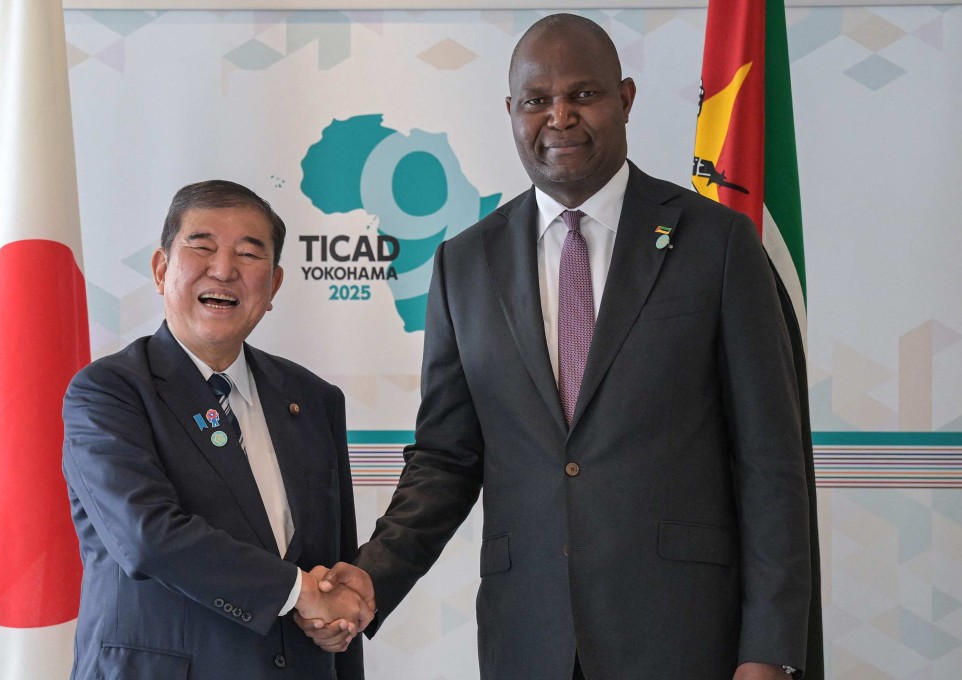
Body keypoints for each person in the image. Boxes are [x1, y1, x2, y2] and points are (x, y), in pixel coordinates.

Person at [301, 12, 822, 680]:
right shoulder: (465, 264)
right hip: (530, 639)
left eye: (583, 95)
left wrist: (770, 650)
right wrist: (373, 575)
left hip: (688, 636)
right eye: (536, 101)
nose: (560, 118)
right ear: (510, 111)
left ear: (625, 98)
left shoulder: (716, 245)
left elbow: (770, 463)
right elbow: (445, 458)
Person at [62, 180, 371, 680]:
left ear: (272, 286)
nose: (224, 270)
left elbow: (331, 563)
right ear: (162, 270)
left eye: (250, 255)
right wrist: (298, 591)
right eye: (202, 247)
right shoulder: (109, 392)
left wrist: (334, 620)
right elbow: (148, 537)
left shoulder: (313, 399)